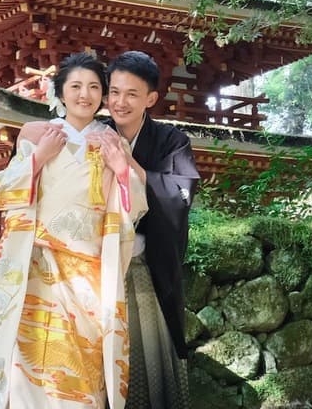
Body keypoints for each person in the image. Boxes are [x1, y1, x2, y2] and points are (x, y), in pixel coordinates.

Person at [0, 52, 148, 409]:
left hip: (89, 273)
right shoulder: (36, 133)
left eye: (94, 87)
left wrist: (121, 169)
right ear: (59, 92)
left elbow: (137, 197)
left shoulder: (111, 141)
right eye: (75, 86)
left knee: (83, 369)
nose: (84, 94)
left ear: (103, 96)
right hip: (39, 268)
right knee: (29, 363)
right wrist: (39, 157)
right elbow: (4, 191)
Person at [104, 51, 200, 409]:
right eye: (114, 92)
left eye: (131, 93)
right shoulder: (96, 137)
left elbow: (180, 194)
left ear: (150, 99)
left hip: (145, 268)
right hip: (99, 268)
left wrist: (128, 165)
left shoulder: (171, 140)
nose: (120, 102)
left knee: (148, 356)